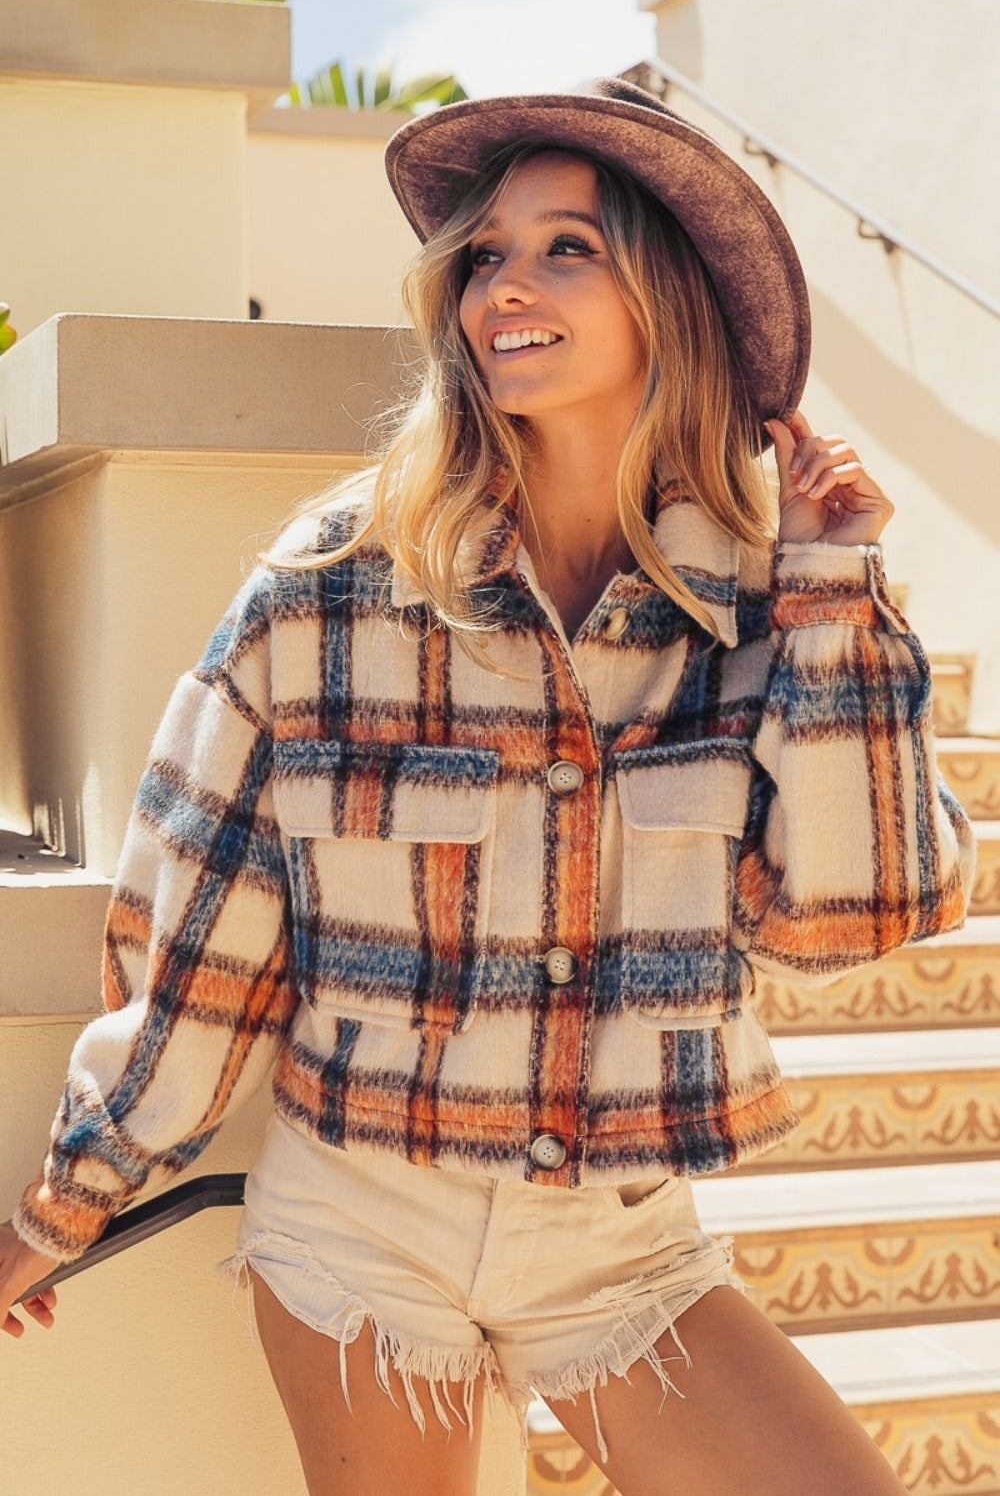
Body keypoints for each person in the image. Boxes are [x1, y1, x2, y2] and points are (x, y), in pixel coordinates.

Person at [1, 80, 975, 1496]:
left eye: (565, 247)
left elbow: (860, 913)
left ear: (668, 293)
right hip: (359, 1226)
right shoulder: (332, 588)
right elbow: (206, 947)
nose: (505, 286)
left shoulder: (770, 607)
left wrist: (832, 588)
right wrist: (65, 1202)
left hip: (621, 1241)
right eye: (484, 254)